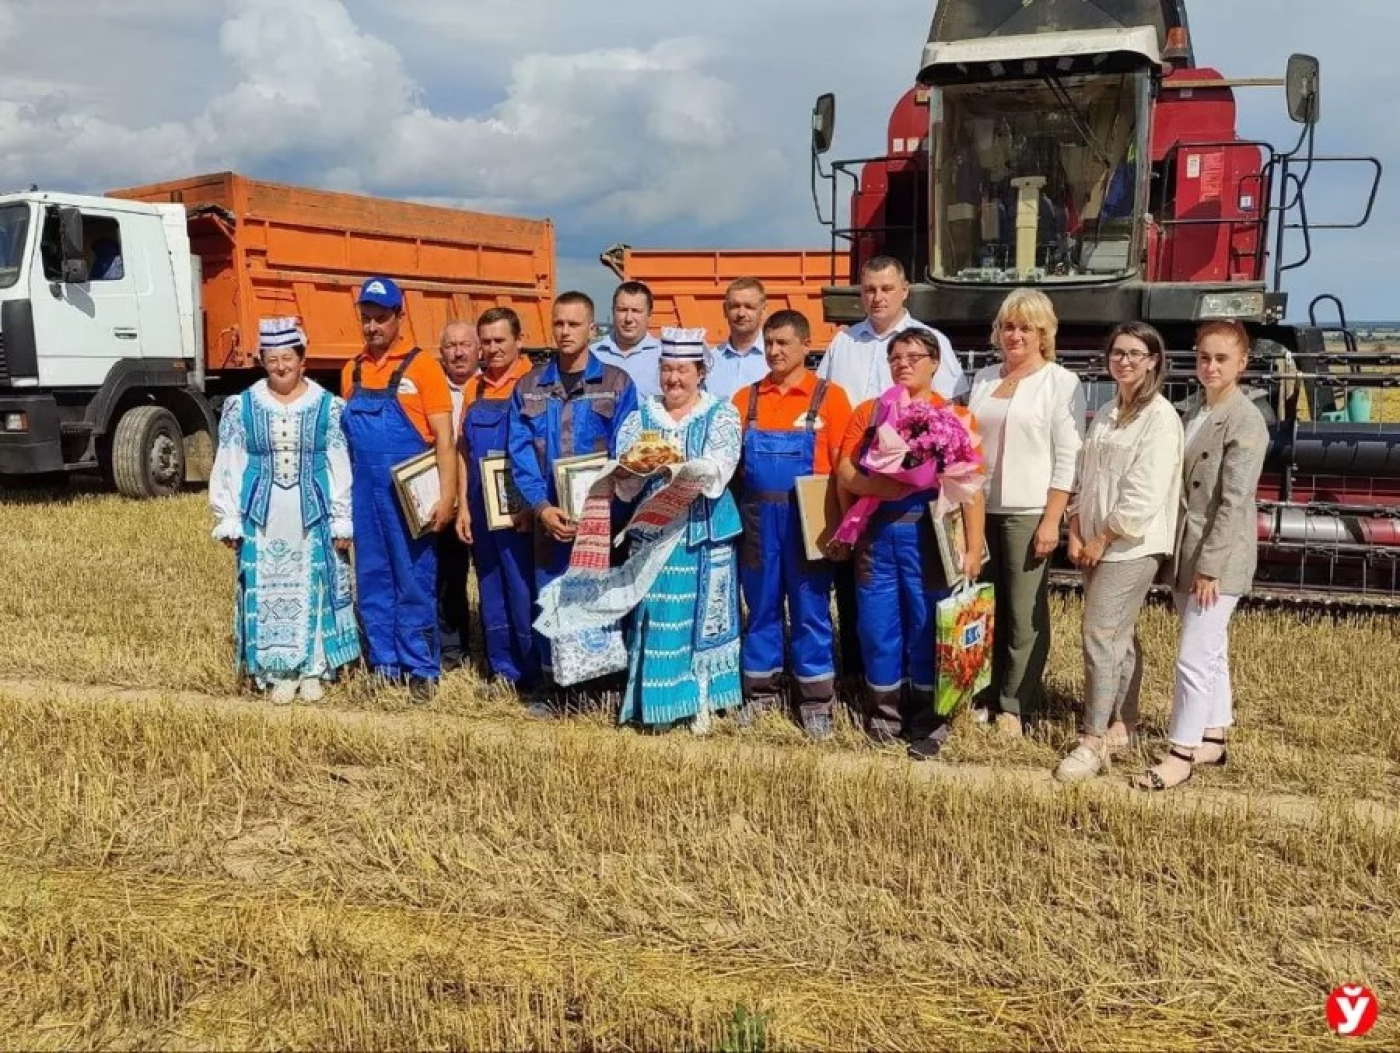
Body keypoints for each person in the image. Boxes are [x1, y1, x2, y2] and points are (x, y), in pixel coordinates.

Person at [834, 328, 986, 760]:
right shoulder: (868, 412)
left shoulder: (956, 417)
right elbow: (845, 472)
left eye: (913, 356)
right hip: (878, 532)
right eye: (896, 357)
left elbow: (970, 488)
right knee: (878, 625)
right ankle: (884, 717)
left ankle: (929, 719)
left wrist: (973, 549)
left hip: (929, 534)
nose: (903, 364)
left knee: (926, 626)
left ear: (935, 363)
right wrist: (883, 487)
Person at [817, 255, 967, 683]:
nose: (877, 297)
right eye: (868, 289)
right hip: (856, 488)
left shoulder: (929, 340)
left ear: (905, 291)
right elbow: (828, 409)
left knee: (919, 603)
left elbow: (949, 415)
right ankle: (866, 682)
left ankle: (917, 688)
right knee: (861, 599)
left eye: (886, 288)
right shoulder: (843, 343)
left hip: (914, 498)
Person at [1135, 320, 1270, 791]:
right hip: (1187, 549)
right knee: (1211, 650)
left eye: (1221, 359)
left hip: (1217, 558)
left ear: (1243, 363)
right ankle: (1213, 735)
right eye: (1204, 357)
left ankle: (1181, 752)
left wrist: (1210, 566)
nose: (1210, 366)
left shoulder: (1245, 420)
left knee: (1193, 655)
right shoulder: (1197, 410)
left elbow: (1234, 502)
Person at [1055, 321, 1183, 783]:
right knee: (1119, 637)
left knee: (1099, 634)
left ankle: (1092, 742)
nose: (1124, 360)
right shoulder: (1109, 410)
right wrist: (1074, 526)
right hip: (1093, 540)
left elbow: (1143, 494)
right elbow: (1085, 476)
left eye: (1135, 353)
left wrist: (1102, 538)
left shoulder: (1160, 418)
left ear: (1153, 360)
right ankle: (1122, 725)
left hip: (1131, 545)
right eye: (1117, 353)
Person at [210, 317, 360, 704]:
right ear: (262, 360)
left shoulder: (327, 407)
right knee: (271, 585)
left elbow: (338, 460)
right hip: (264, 512)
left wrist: (342, 515)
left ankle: (313, 668)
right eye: (273, 359)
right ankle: (278, 670)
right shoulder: (242, 406)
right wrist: (229, 516)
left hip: (314, 511)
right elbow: (231, 459)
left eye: (288, 358)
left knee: (315, 583)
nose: (281, 366)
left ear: (302, 360)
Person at [612, 328, 744, 731]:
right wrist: (632, 469)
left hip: (701, 534)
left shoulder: (722, 414)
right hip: (654, 536)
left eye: (682, 370)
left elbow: (722, 467)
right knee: (656, 618)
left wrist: (683, 469)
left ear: (700, 372)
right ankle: (656, 707)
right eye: (667, 370)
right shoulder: (642, 417)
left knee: (698, 618)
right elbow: (626, 482)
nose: (673, 379)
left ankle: (696, 705)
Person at [508, 291, 637, 701]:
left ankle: (602, 687)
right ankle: (556, 689)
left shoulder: (617, 384)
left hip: (600, 521)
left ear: (592, 328)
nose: (565, 332)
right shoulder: (529, 387)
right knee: (553, 600)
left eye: (574, 324)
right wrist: (541, 508)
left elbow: (627, 453)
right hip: (550, 521)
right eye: (559, 323)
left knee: (600, 598)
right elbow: (520, 454)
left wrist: (604, 511)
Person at [967, 289, 1085, 736]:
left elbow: (1068, 455)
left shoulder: (1060, 383)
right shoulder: (982, 379)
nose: (1014, 335)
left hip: (1028, 510)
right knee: (981, 609)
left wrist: (1052, 518)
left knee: (1022, 612)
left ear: (1044, 334)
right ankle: (981, 692)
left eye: (1025, 328)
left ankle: (1015, 704)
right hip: (979, 509)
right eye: (1007, 327)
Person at [731, 310, 852, 739]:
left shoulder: (831, 398)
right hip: (758, 520)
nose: (775, 351)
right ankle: (760, 695)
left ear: (806, 346)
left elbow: (844, 469)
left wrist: (843, 528)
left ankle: (816, 702)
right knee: (760, 607)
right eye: (769, 343)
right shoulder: (745, 399)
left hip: (810, 520)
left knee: (811, 611)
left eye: (784, 342)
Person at [339, 277, 458, 704]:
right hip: (365, 493)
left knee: (413, 577)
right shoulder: (351, 370)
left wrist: (447, 496)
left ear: (398, 318)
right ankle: (384, 664)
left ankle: (421, 667)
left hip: (411, 497)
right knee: (371, 577)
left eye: (381, 318)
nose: (372, 327)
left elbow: (445, 439)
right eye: (366, 318)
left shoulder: (423, 367)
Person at [455, 307, 541, 689]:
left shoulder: (534, 383)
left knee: (522, 588)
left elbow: (543, 450)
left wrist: (530, 506)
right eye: (485, 342)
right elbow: (462, 451)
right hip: (480, 501)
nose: (492, 349)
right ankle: (502, 669)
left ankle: (533, 672)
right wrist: (463, 506)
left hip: (519, 505)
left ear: (519, 341)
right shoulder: (474, 388)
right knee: (490, 586)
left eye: (499, 340)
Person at [437, 320, 479, 670]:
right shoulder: (430, 386)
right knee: (448, 574)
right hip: (443, 495)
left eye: (465, 344)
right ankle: (452, 649)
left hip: (484, 495)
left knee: (492, 576)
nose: (459, 352)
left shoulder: (489, 388)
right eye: (451, 346)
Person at [591, 281, 663, 400]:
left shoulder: (664, 358)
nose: (628, 318)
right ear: (613, 312)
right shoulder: (592, 355)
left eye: (636, 311)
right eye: (622, 310)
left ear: (650, 316)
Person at [706, 277, 771, 401]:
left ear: (763, 310)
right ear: (725, 310)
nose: (741, 313)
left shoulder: (774, 360)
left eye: (749, 307)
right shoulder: (710, 361)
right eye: (735, 306)